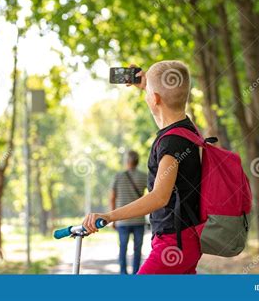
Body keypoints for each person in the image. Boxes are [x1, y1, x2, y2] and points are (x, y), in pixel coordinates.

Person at [83, 60, 202, 274]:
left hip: (173, 242)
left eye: (149, 92)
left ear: (154, 99)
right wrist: (147, 83)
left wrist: (109, 216)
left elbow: (159, 197)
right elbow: (165, 111)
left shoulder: (171, 143)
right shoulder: (187, 130)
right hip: (186, 238)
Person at [110, 150, 147, 274]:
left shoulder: (118, 176)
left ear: (127, 161)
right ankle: (136, 273)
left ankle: (123, 274)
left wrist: (112, 218)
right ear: (137, 161)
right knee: (137, 249)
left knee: (123, 248)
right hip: (139, 219)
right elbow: (152, 196)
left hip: (122, 219)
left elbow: (112, 198)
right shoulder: (144, 176)